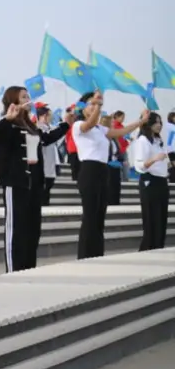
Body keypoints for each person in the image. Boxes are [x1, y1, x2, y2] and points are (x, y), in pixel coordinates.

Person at [0, 88, 72, 272]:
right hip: (16, 183)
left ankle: (29, 268)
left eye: (28, 96)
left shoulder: (31, 126)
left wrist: (66, 124)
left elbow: (46, 138)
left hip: (34, 185)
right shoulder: (7, 124)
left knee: (32, 230)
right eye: (23, 97)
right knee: (16, 229)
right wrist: (8, 118)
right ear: (13, 101)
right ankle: (13, 271)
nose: (28, 99)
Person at [70, 91, 147, 260]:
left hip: (102, 171)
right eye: (91, 104)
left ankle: (97, 254)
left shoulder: (100, 129)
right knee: (90, 214)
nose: (95, 107)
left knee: (100, 214)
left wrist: (141, 121)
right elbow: (90, 123)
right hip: (89, 170)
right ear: (83, 108)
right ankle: (85, 255)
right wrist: (98, 104)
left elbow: (122, 131)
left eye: (97, 104)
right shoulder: (79, 125)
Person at [131, 112, 170, 250]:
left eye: (160, 122)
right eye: (156, 122)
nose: (159, 125)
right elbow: (139, 165)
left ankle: (159, 246)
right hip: (150, 181)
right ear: (148, 124)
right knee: (151, 217)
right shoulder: (143, 140)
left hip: (161, 181)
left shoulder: (158, 141)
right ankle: (148, 248)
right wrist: (154, 159)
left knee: (161, 218)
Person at [35, 105, 62, 205]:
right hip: (42, 164)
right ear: (43, 116)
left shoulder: (51, 128)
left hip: (52, 163)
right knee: (42, 190)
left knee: (48, 188)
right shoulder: (37, 129)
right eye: (49, 115)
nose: (51, 117)